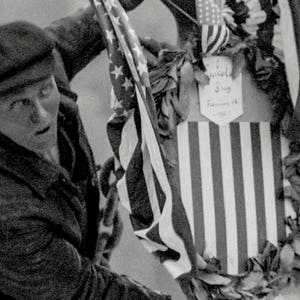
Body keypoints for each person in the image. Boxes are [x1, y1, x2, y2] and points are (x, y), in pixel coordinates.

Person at [0, 1, 172, 299]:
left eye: (44, 92)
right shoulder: (8, 216)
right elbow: (87, 290)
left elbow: (82, 28)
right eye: (20, 104)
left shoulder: (40, 69)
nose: (41, 114)